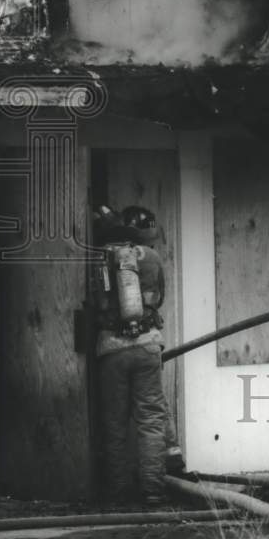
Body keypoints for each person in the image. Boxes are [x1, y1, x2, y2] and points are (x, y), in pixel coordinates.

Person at [92, 205, 170, 505]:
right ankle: (153, 490)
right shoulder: (152, 257)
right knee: (151, 419)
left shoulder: (99, 257)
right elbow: (159, 297)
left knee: (115, 423)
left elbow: (93, 302)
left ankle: (119, 491)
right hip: (148, 345)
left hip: (112, 348)